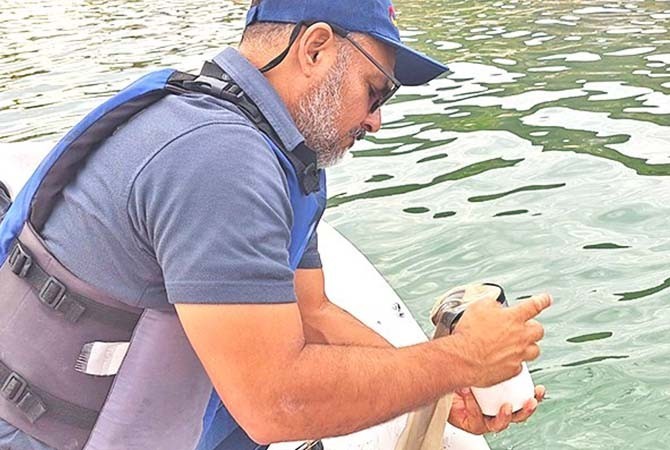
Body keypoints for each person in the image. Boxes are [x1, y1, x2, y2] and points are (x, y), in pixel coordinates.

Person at [0, 1, 551, 449]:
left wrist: (442, 387)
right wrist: (458, 358)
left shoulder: (282, 157)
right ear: (314, 48)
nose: (377, 120)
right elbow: (275, 403)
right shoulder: (219, 158)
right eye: (376, 90)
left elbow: (312, 313)